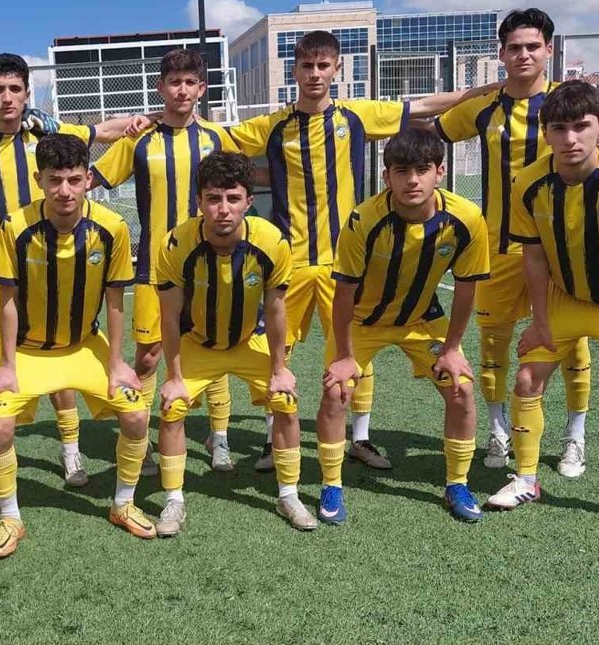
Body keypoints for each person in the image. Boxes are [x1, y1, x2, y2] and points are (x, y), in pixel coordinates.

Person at [228, 30, 501, 472]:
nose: (315, 74)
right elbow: (212, 139)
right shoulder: (272, 126)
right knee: (276, 351)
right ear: (294, 71)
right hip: (290, 261)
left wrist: (487, 89)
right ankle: (272, 439)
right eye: (306, 66)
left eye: (323, 65)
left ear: (336, 69)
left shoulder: (356, 115)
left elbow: (422, 107)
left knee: (354, 349)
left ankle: (360, 438)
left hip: (347, 263)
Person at [0, 52, 149, 487]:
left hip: (52, 269)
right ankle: (1, 461)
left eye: (15, 89)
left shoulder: (48, 136)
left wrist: (143, 121)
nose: (7, 98)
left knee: (61, 356)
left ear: (26, 93)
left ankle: (71, 450)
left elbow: (101, 131)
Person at [432, 8, 599, 474]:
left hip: (561, 250)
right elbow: (433, 131)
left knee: (570, 343)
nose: (523, 54)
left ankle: (574, 437)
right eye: (514, 48)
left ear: (548, 49)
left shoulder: (565, 103)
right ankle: (497, 430)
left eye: (532, 46)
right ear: (501, 53)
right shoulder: (485, 107)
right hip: (497, 247)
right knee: (494, 343)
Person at [485, 80, 599, 537]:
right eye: (559, 128)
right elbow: (534, 257)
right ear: (545, 132)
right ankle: (526, 479)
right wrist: (540, 322)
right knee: (528, 378)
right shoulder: (528, 183)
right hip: (564, 298)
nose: (570, 138)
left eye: (581, 126)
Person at [0, 134, 153, 558]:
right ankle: (10, 517)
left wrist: (116, 363)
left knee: (136, 415)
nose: (65, 191)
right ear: (38, 179)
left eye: (74, 180)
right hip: (28, 351)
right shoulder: (15, 226)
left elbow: (115, 299)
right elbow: (7, 300)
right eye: (55, 180)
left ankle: (122, 504)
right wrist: (6, 364)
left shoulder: (111, 228)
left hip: (83, 346)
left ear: (88, 179)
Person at [319, 129, 490, 525]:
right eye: (401, 171)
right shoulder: (364, 220)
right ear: (387, 177)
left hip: (421, 320)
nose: (412, 180)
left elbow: (467, 288)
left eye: (422, 170)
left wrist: (452, 348)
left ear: (440, 172)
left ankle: (458, 483)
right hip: (363, 322)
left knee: (462, 389)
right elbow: (343, 294)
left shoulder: (466, 218)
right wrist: (344, 356)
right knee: (335, 391)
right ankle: (331, 484)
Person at [90, 48, 242, 473]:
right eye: (174, 82)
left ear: (202, 88)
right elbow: (92, 178)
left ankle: (219, 436)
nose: (182, 90)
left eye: (190, 82)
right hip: (153, 266)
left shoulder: (216, 138)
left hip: (210, 264)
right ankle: (142, 439)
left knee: (216, 343)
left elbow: (240, 189)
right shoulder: (139, 138)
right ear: (161, 88)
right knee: (149, 355)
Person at [154, 151, 305, 536]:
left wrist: (279, 369)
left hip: (248, 340)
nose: (223, 209)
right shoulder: (177, 244)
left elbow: (276, 311)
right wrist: (173, 376)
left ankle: (288, 494)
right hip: (198, 343)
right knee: (171, 406)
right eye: (213, 199)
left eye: (233, 198)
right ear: (199, 201)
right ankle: (173, 500)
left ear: (248, 202)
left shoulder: (271, 242)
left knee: (285, 400)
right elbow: (169, 317)